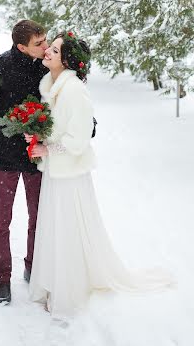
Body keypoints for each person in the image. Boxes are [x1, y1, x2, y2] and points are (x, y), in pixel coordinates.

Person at [28, 32, 174, 318]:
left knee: (68, 230)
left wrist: (48, 149)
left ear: (67, 61)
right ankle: (56, 284)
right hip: (56, 172)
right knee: (55, 227)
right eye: (50, 48)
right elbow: (58, 127)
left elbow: (79, 139)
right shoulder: (53, 86)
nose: (47, 52)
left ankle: (68, 292)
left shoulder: (74, 91)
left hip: (70, 174)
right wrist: (36, 135)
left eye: (55, 51)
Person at [0, 20, 48, 304]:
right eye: (38, 43)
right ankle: (2, 279)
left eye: (45, 40)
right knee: (2, 220)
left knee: (39, 217)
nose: (45, 46)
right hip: (4, 157)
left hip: (36, 153)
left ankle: (33, 267)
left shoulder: (47, 64)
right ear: (21, 46)